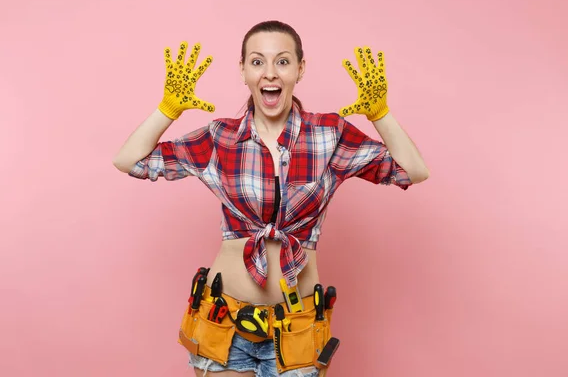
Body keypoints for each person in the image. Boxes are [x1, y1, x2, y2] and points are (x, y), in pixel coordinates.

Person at [113, 20, 429, 377]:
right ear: (244, 70)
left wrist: (380, 115)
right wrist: (167, 110)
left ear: (300, 69)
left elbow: (413, 171)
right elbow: (129, 161)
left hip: (297, 327)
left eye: (282, 61)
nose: (270, 73)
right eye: (257, 61)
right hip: (224, 321)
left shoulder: (329, 134)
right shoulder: (221, 138)